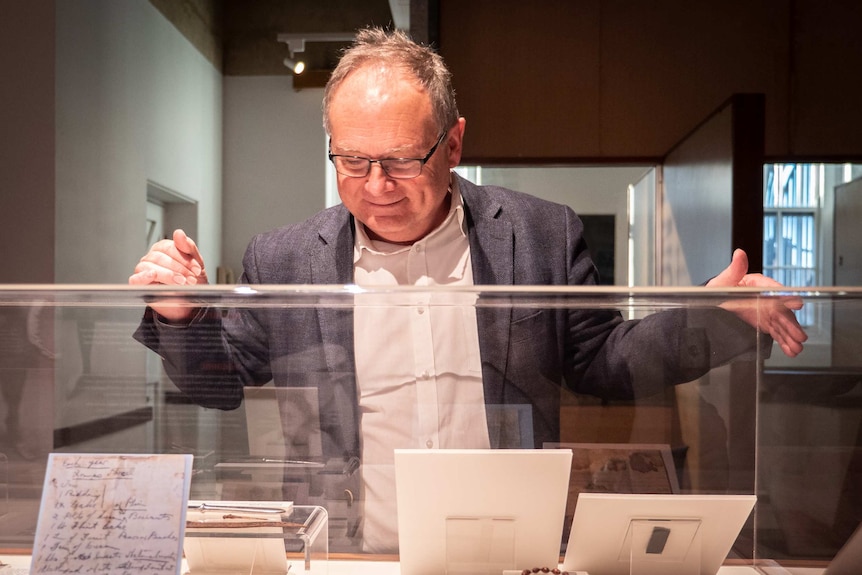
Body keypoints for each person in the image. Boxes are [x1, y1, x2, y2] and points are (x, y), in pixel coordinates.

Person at [130, 27, 807, 552]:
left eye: (400, 159)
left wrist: (715, 317)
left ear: (452, 144)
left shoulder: (540, 235)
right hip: (351, 552)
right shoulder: (283, 257)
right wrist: (181, 313)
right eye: (351, 160)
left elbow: (607, 362)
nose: (376, 185)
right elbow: (217, 383)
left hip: (510, 545)